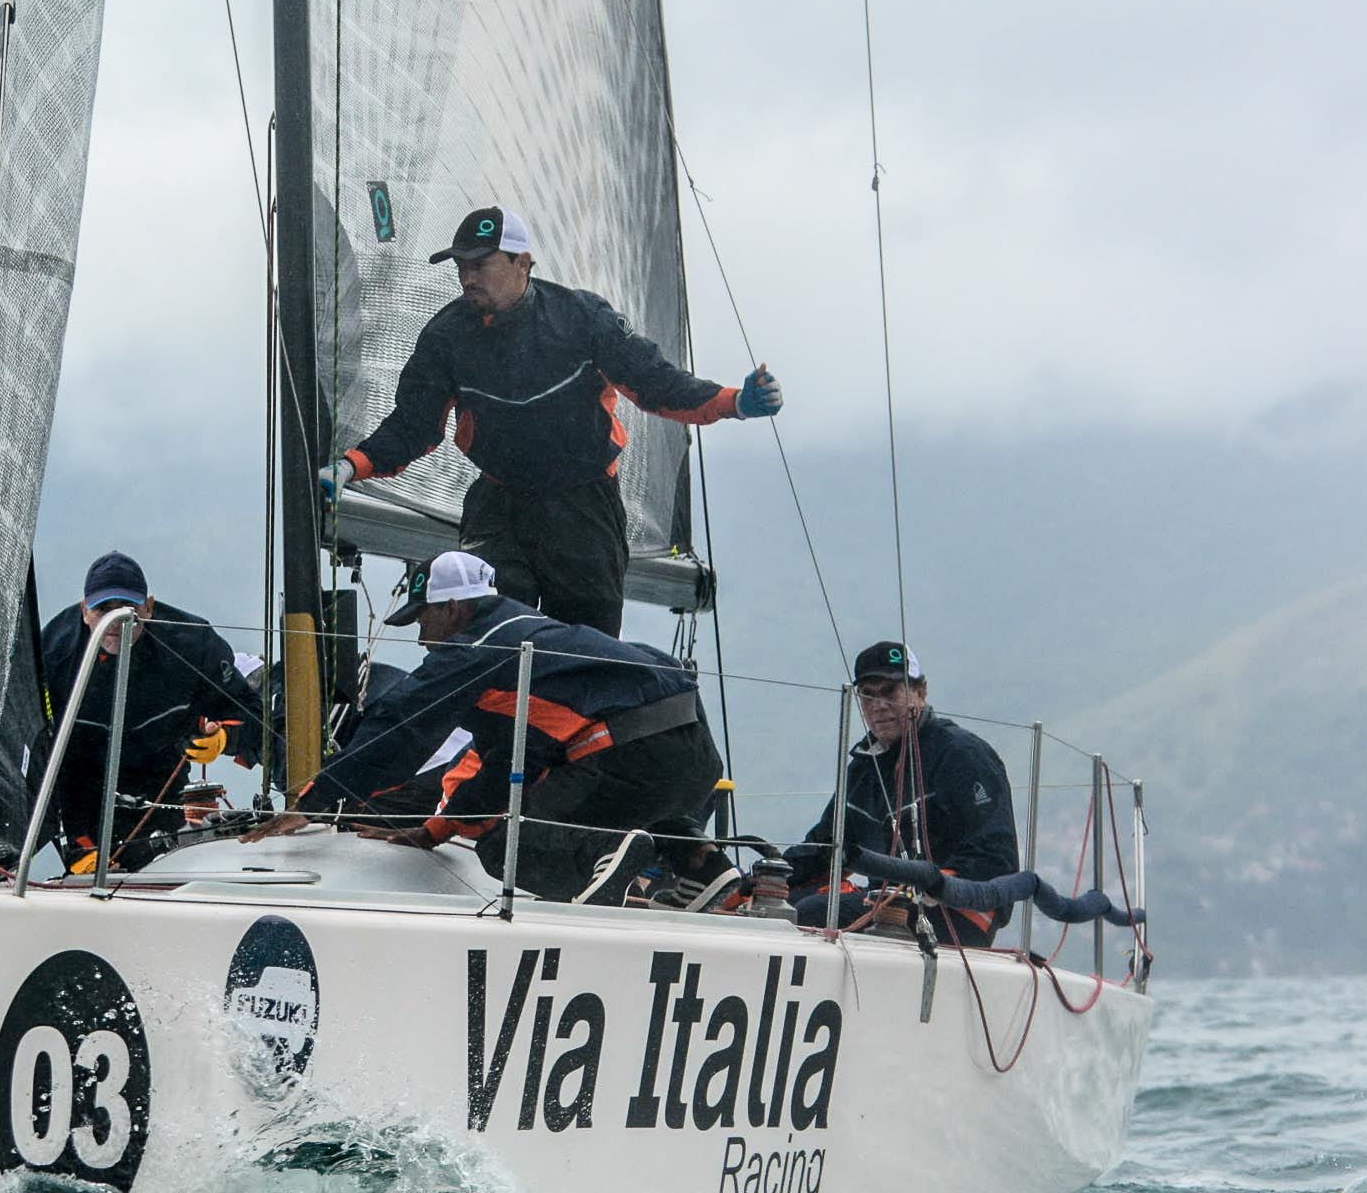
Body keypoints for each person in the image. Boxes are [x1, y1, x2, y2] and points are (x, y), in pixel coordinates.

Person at [317, 206, 783, 637]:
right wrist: (350, 465)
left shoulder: (581, 318)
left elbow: (656, 384)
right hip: (501, 506)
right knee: (486, 632)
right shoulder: (447, 336)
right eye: (461, 266)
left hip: (584, 507)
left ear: (523, 263)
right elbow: (414, 425)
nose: (467, 277)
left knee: (581, 652)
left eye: (480, 264)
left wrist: (735, 401)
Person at [250, 551, 723, 904]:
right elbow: (513, 760)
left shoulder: (476, 648)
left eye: (423, 616)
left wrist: (315, 803)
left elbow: (402, 723)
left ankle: (605, 851)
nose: (420, 634)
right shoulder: (531, 633)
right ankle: (698, 861)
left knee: (502, 846)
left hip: (630, 754)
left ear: (454, 608)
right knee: (551, 783)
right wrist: (436, 830)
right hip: (692, 757)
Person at [37, 551, 266, 872]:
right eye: (103, 610)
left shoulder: (194, 643)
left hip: (160, 779)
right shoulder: (53, 652)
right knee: (90, 873)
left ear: (149, 606)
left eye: (127, 610)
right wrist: (79, 845)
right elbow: (37, 751)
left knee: (153, 868)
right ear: (84, 611)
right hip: (81, 784)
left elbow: (251, 713)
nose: (116, 623)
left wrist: (224, 738)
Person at [791, 640, 1018, 945]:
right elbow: (823, 849)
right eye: (868, 695)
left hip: (959, 913)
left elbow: (997, 857)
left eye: (890, 692)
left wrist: (935, 885)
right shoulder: (863, 770)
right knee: (783, 909)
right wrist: (763, 880)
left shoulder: (962, 754)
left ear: (920, 691)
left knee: (813, 912)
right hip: (888, 905)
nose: (878, 705)